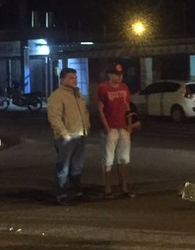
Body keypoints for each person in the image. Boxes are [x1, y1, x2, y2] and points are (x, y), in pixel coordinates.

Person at [47, 67, 90, 204]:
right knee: (63, 167)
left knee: (77, 165)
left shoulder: (77, 94)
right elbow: (55, 118)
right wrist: (64, 135)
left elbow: (85, 113)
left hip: (80, 134)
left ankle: (77, 191)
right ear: (62, 79)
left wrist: (86, 128)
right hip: (66, 137)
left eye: (75, 77)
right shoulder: (57, 96)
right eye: (71, 78)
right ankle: (61, 193)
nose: (75, 80)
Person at [97, 64, 135, 198]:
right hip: (111, 128)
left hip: (123, 127)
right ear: (109, 75)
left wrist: (130, 124)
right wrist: (106, 126)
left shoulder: (124, 87)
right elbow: (100, 108)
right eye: (116, 75)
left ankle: (124, 187)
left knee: (124, 158)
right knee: (108, 158)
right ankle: (108, 189)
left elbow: (127, 106)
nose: (119, 77)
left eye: (120, 75)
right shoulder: (103, 88)